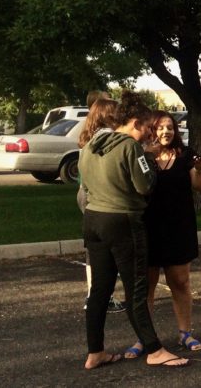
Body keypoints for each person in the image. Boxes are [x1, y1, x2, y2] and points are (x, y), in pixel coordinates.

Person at [79, 92, 188, 369]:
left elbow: (86, 186)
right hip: (122, 222)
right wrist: (149, 159)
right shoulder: (131, 148)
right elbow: (145, 186)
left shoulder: (91, 144)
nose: (150, 134)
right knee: (136, 289)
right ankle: (154, 350)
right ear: (136, 123)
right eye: (148, 128)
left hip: (93, 220)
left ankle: (95, 352)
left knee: (100, 290)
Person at [124, 111, 201, 358]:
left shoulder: (186, 155)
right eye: (160, 128)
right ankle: (144, 339)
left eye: (169, 127)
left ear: (176, 130)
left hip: (178, 228)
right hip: (148, 228)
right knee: (146, 287)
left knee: (180, 283)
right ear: (152, 130)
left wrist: (200, 170)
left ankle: (185, 333)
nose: (165, 132)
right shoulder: (142, 154)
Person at [76, 97, 125, 314]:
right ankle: (104, 295)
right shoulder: (109, 140)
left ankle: (93, 295)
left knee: (93, 249)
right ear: (108, 116)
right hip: (100, 195)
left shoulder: (88, 140)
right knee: (111, 247)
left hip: (85, 193)